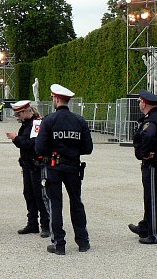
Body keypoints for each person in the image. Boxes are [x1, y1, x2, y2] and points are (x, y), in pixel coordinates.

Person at [35, 84, 93, 255]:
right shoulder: (79, 120)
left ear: (56, 99)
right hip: (73, 166)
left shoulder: (49, 120)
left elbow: (39, 148)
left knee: (55, 204)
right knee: (77, 203)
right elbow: (88, 148)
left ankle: (59, 243)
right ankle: (83, 241)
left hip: (54, 166)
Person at [129, 89, 157, 244]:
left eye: (140, 101)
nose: (139, 104)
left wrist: (143, 153)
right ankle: (145, 227)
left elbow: (148, 135)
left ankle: (155, 235)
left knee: (152, 199)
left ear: (144, 103)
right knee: (151, 197)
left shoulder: (151, 121)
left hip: (155, 164)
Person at [6, 100, 50, 238]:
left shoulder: (37, 123)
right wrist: (17, 140)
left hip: (36, 165)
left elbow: (33, 144)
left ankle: (46, 224)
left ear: (26, 112)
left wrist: (16, 138)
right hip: (27, 165)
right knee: (28, 194)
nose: (17, 117)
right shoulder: (26, 125)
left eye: (18, 114)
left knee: (40, 196)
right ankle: (32, 223)